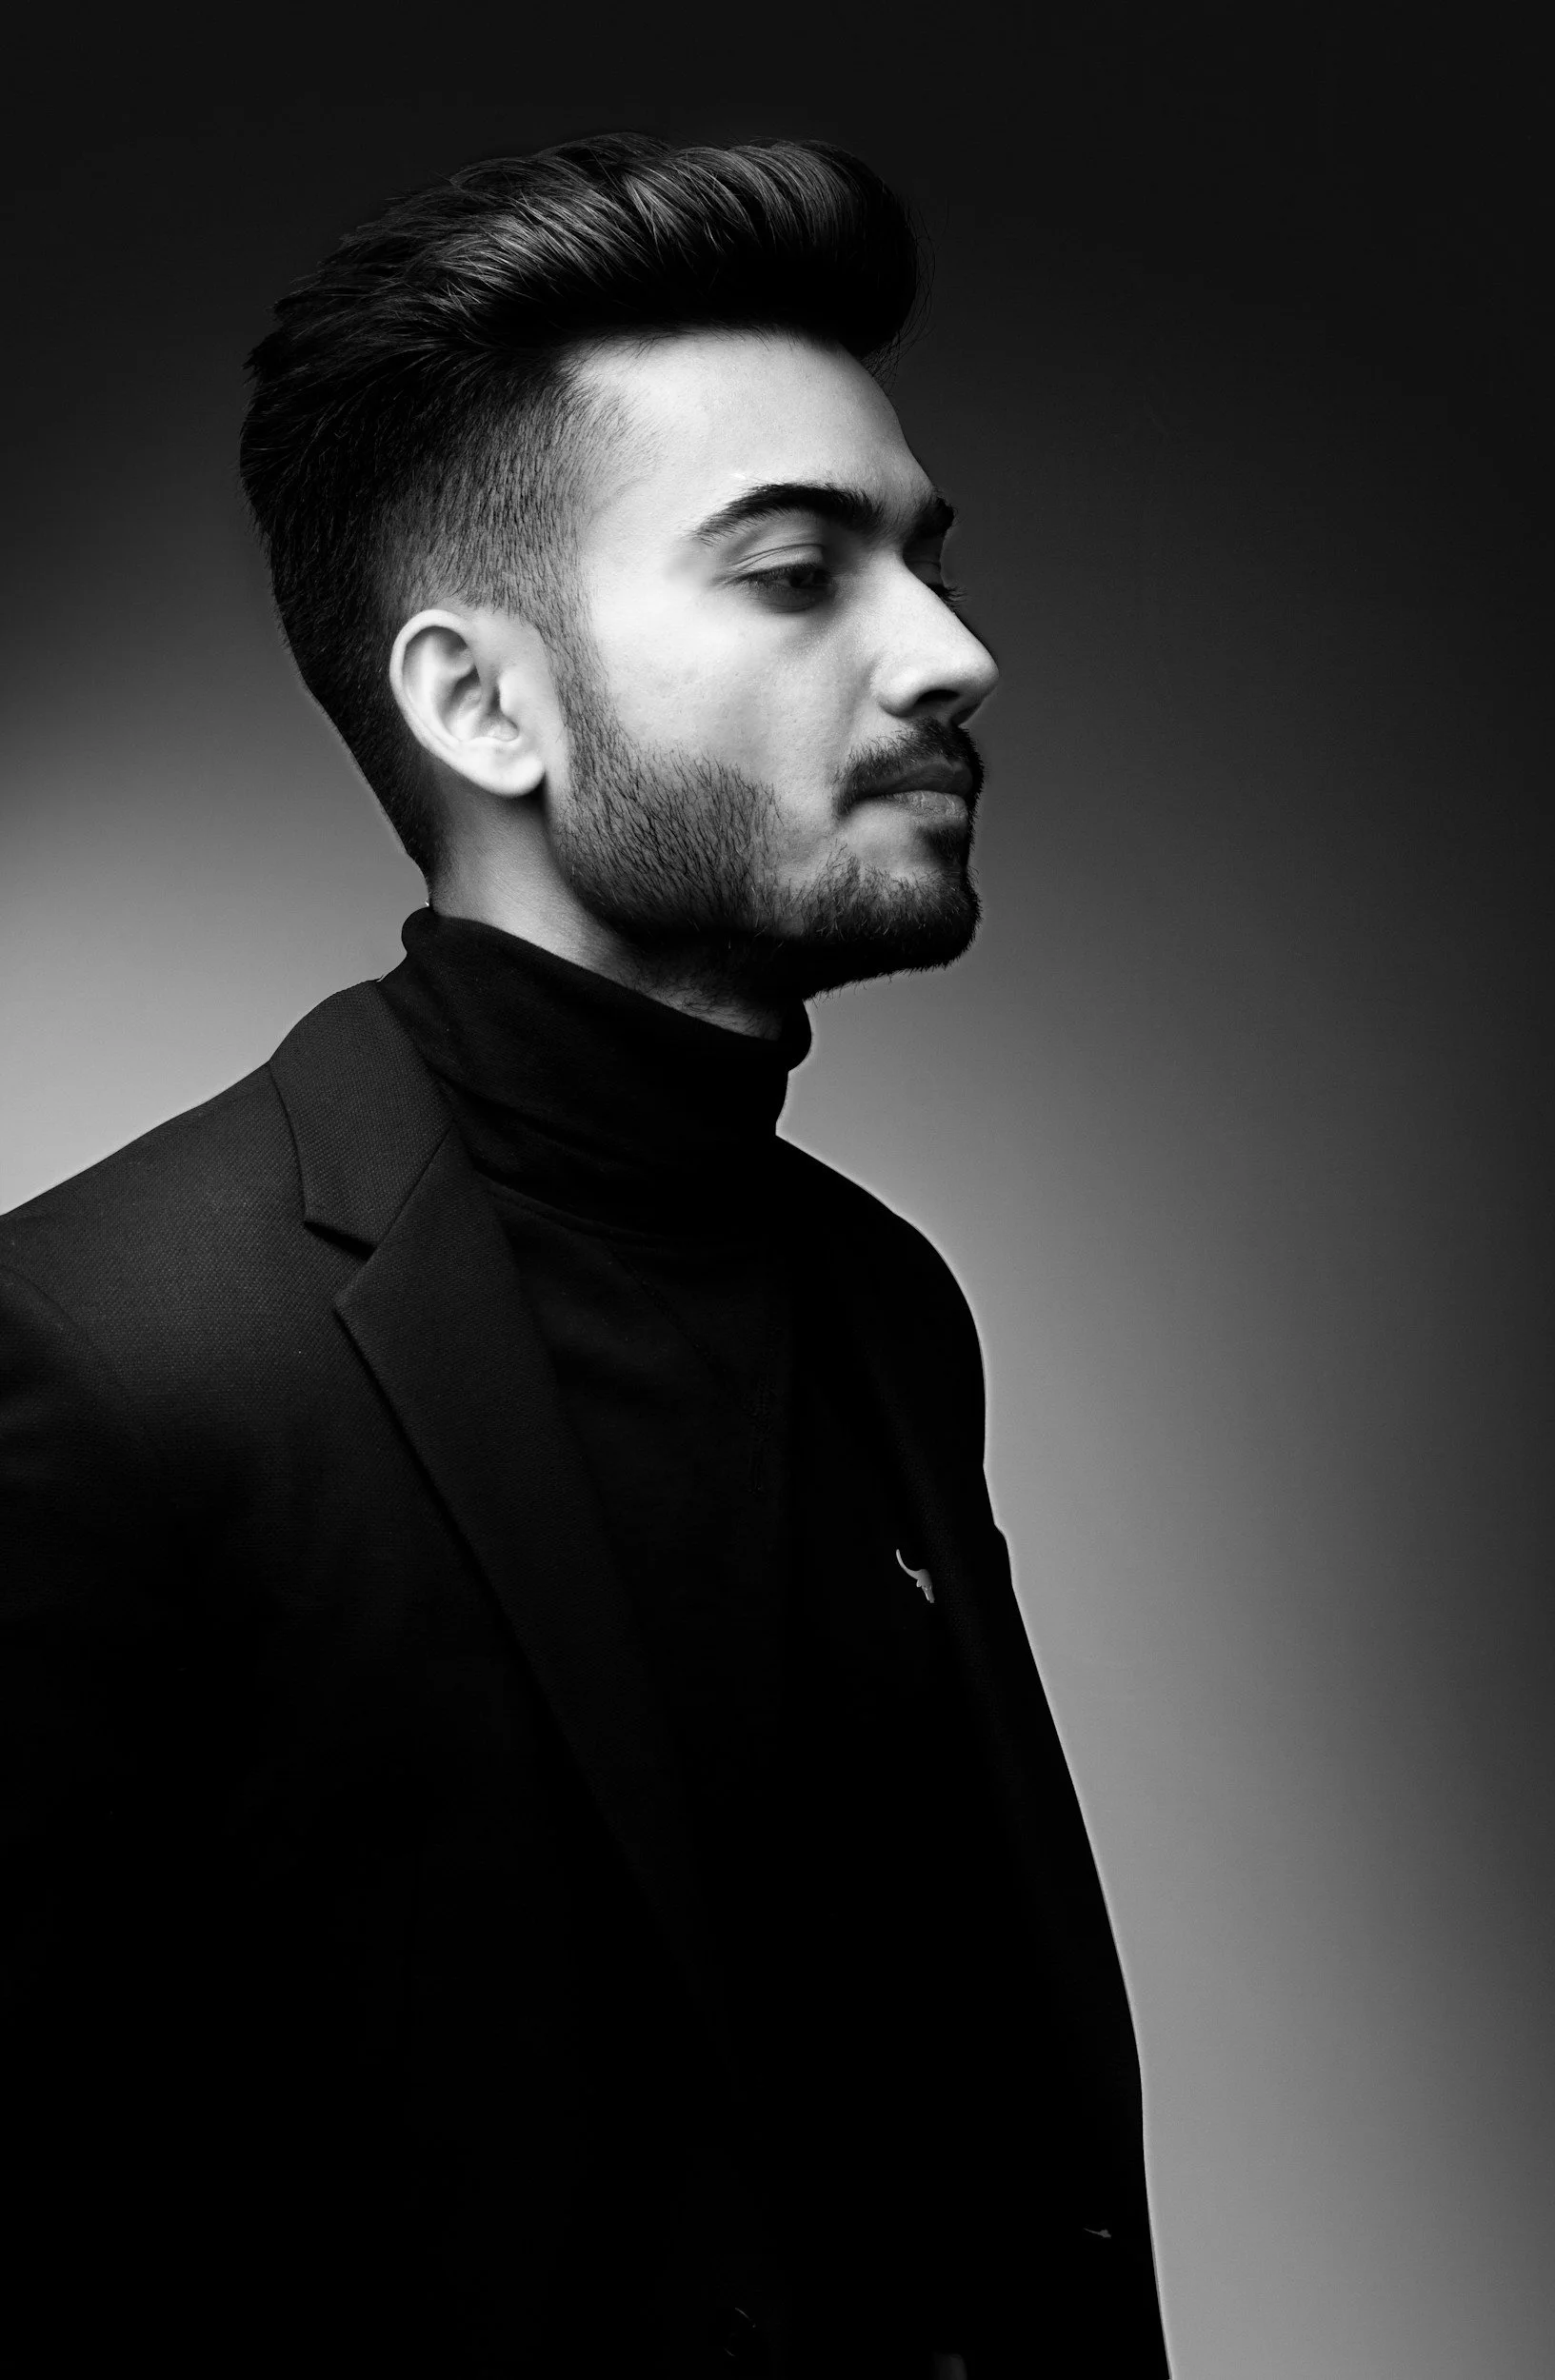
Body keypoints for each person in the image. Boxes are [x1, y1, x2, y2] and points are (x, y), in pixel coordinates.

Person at [0, 135, 1168, 2377]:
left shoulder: (884, 1302)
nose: (952, 655)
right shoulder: (105, 1354)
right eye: (794, 571)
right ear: (480, 705)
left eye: (921, 558)